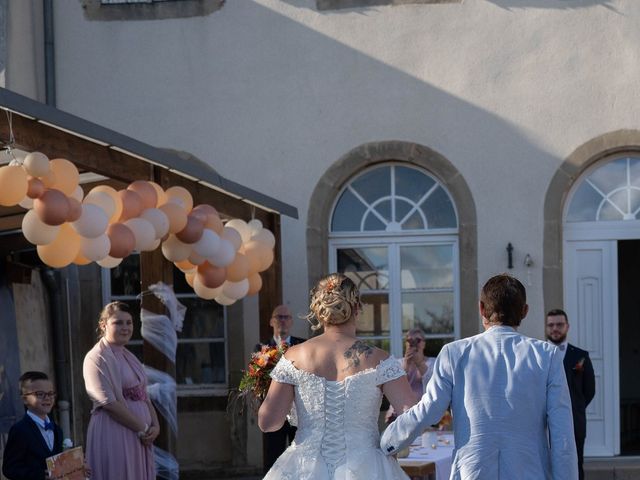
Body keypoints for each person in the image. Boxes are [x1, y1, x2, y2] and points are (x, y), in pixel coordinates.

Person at [381, 274, 579, 479]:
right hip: (530, 472)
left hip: (473, 472)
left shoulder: (454, 353)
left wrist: (387, 442)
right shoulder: (547, 355)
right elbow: (562, 432)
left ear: (481, 309)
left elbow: (428, 410)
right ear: (525, 311)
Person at [258, 273, 416, 479]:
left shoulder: (294, 357)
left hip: (303, 467)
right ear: (357, 308)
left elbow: (268, 422)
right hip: (368, 466)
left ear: (317, 310)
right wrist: (390, 446)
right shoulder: (378, 358)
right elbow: (413, 419)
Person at [83, 301, 159, 480]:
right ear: (103, 325)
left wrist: (156, 426)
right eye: (118, 322)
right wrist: (143, 428)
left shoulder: (128, 355)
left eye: (129, 322)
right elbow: (108, 403)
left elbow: (143, 395)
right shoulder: (96, 358)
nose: (125, 327)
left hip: (139, 435)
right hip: (115, 431)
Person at [546, 308, 596, 480]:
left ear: (567, 327)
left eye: (559, 324)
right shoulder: (538, 354)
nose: (555, 329)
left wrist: (575, 407)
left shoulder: (581, 356)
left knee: (575, 466)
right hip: (544, 425)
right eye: (551, 325)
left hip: (575, 421)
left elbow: (589, 390)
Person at [256, 304, 306, 471]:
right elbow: (257, 380)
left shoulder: (302, 346)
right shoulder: (261, 348)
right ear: (271, 321)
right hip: (274, 408)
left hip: (298, 410)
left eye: (286, 317)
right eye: (279, 317)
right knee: (273, 455)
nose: (282, 321)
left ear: (291, 322)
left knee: (299, 454)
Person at [2, 371, 63, 480]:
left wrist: (78, 468)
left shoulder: (57, 429)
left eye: (50, 393)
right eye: (40, 394)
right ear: (25, 399)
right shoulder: (20, 430)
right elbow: (9, 468)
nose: (47, 398)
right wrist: (39, 476)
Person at [385, 328, 436, 423]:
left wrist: (420, 363)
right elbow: (393, 387)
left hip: (426, 412)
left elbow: (433, 384)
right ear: (406, 344)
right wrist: (406, 365)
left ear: (424, 344)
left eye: (418, 340)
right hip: (400, 413)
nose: (414, 343)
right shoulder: (398, 363)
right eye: (410, 341)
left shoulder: (433, 363)